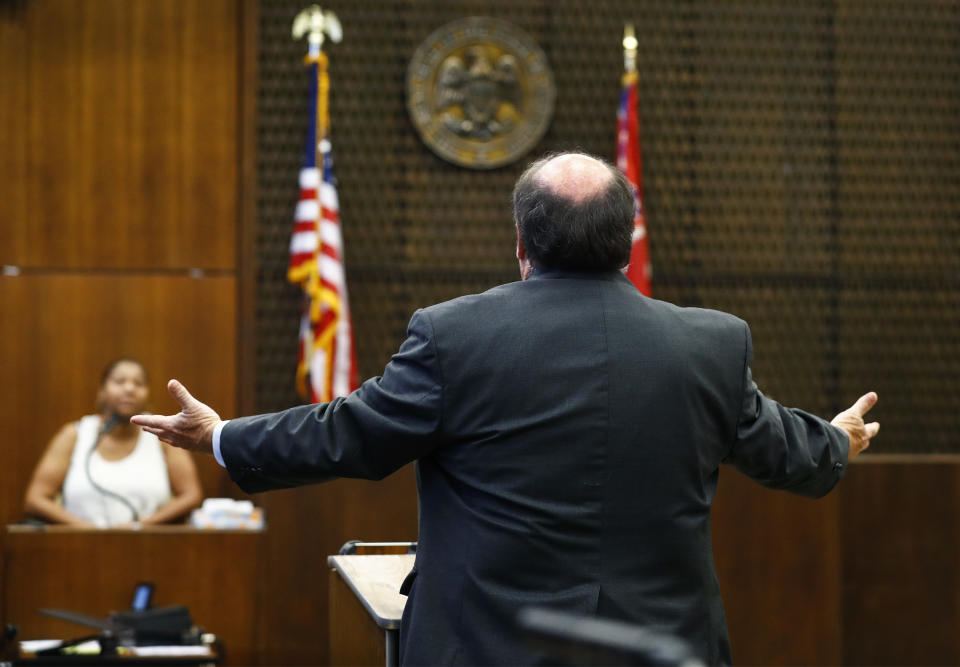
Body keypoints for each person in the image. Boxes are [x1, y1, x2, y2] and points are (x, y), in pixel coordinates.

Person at [133, 152, 879, 665]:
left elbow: (350, 436)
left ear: (521, 242)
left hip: (487, 647)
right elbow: (788, 452)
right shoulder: (713, 344)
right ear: (627, 242)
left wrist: (223, 435)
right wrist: (839, 439)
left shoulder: (455, 335)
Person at [25, 358, 203, 528]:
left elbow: (191, 495)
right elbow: (35, 499)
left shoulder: (162, 434)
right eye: (119, 381)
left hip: (148, 547)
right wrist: (88, 531)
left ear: (147, 394)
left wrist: (140, 527)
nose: (129, 388)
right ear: (101, 391)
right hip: (79, 546)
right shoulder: (74, 435)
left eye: (139, 383)